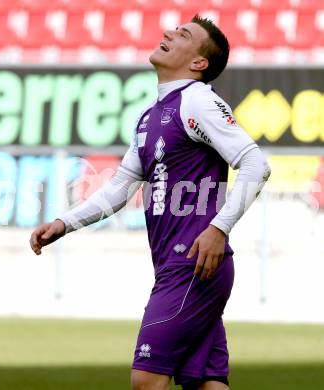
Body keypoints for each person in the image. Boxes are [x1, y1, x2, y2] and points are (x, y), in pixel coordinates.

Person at [30, 15, 271, 390]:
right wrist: (64, 223)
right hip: (183, 267)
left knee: (146, 379)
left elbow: (256, 163)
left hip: (191, 263)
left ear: (198, 63)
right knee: (207, 383)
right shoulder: (151, 116)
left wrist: (218, 229)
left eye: (183, 34)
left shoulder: (198, 102)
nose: (168, 33)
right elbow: (123, 186)